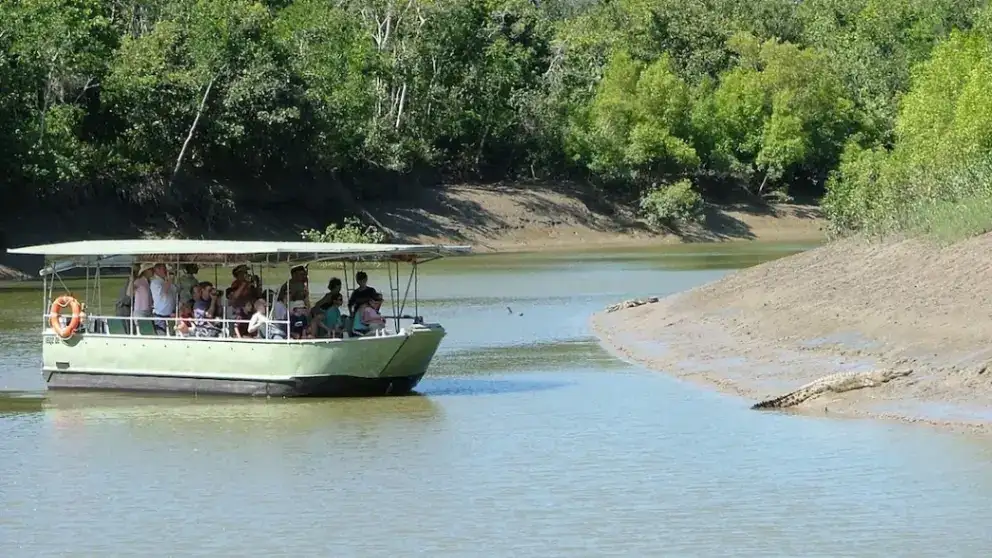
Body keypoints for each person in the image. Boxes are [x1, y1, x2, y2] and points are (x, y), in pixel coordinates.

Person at [149, 263, 178, 334]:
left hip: (170, 315)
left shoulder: (165, 281)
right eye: (164, 269)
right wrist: (169, 279)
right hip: (160, 316)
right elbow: (164, 292)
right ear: (157, 270)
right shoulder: (155, 282)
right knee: (162, 337)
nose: (166, 271)